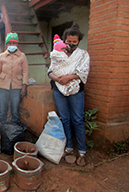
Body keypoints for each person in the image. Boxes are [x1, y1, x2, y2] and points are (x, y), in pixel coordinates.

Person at [47, 23, 90, 166]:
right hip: (59, 89)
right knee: (64, 118)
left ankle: (82, 151)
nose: (71, 45)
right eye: (69, 42)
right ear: (64, 40)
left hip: (75, 90)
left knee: (77, 119)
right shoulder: (58, 54)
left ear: (78, 42)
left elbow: (83, 72)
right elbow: (50, 70)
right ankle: (69, 147)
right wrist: (58, 78)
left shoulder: (83, 55)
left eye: (74, 42)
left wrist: (68, 77)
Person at [0, 32, 29, 124]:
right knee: (2, 111)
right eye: (9, 43)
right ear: (7, 44)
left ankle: (14, 132)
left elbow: (25, 72)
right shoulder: (2, 56)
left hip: (16, 87)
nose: (12, 45)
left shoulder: (22, 56)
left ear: (17, 44)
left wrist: (24, 86)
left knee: (15, 110)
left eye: (14, 43)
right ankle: (3, 130)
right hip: (3, 87)